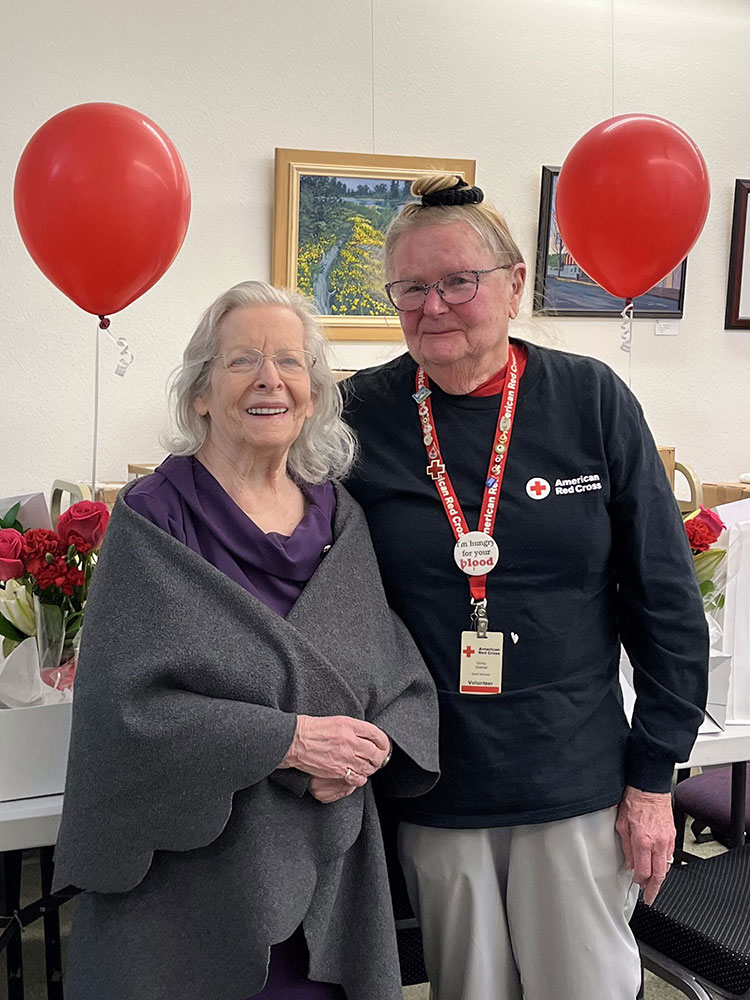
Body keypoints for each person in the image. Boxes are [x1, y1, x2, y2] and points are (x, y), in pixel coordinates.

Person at [342, 174, 709, 1000]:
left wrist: (654, 780)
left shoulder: (590, 400)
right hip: (436, 779)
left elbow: (665, 599)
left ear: (513, 286)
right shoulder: (358, 415)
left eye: (458, 282)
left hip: (572, 774)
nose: (433, 306)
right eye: (411, 288)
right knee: (466, 989)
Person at [52, 280, 440, 1000]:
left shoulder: (340, 517)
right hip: (192, 876)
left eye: (291, 362)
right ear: (200, 393)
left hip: (329, 867)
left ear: (315, 395)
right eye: (242, 362)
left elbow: (399, 677)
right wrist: (288, 742)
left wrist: (371, 746)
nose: (271, 379)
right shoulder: (154, 516)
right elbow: (123, 709)